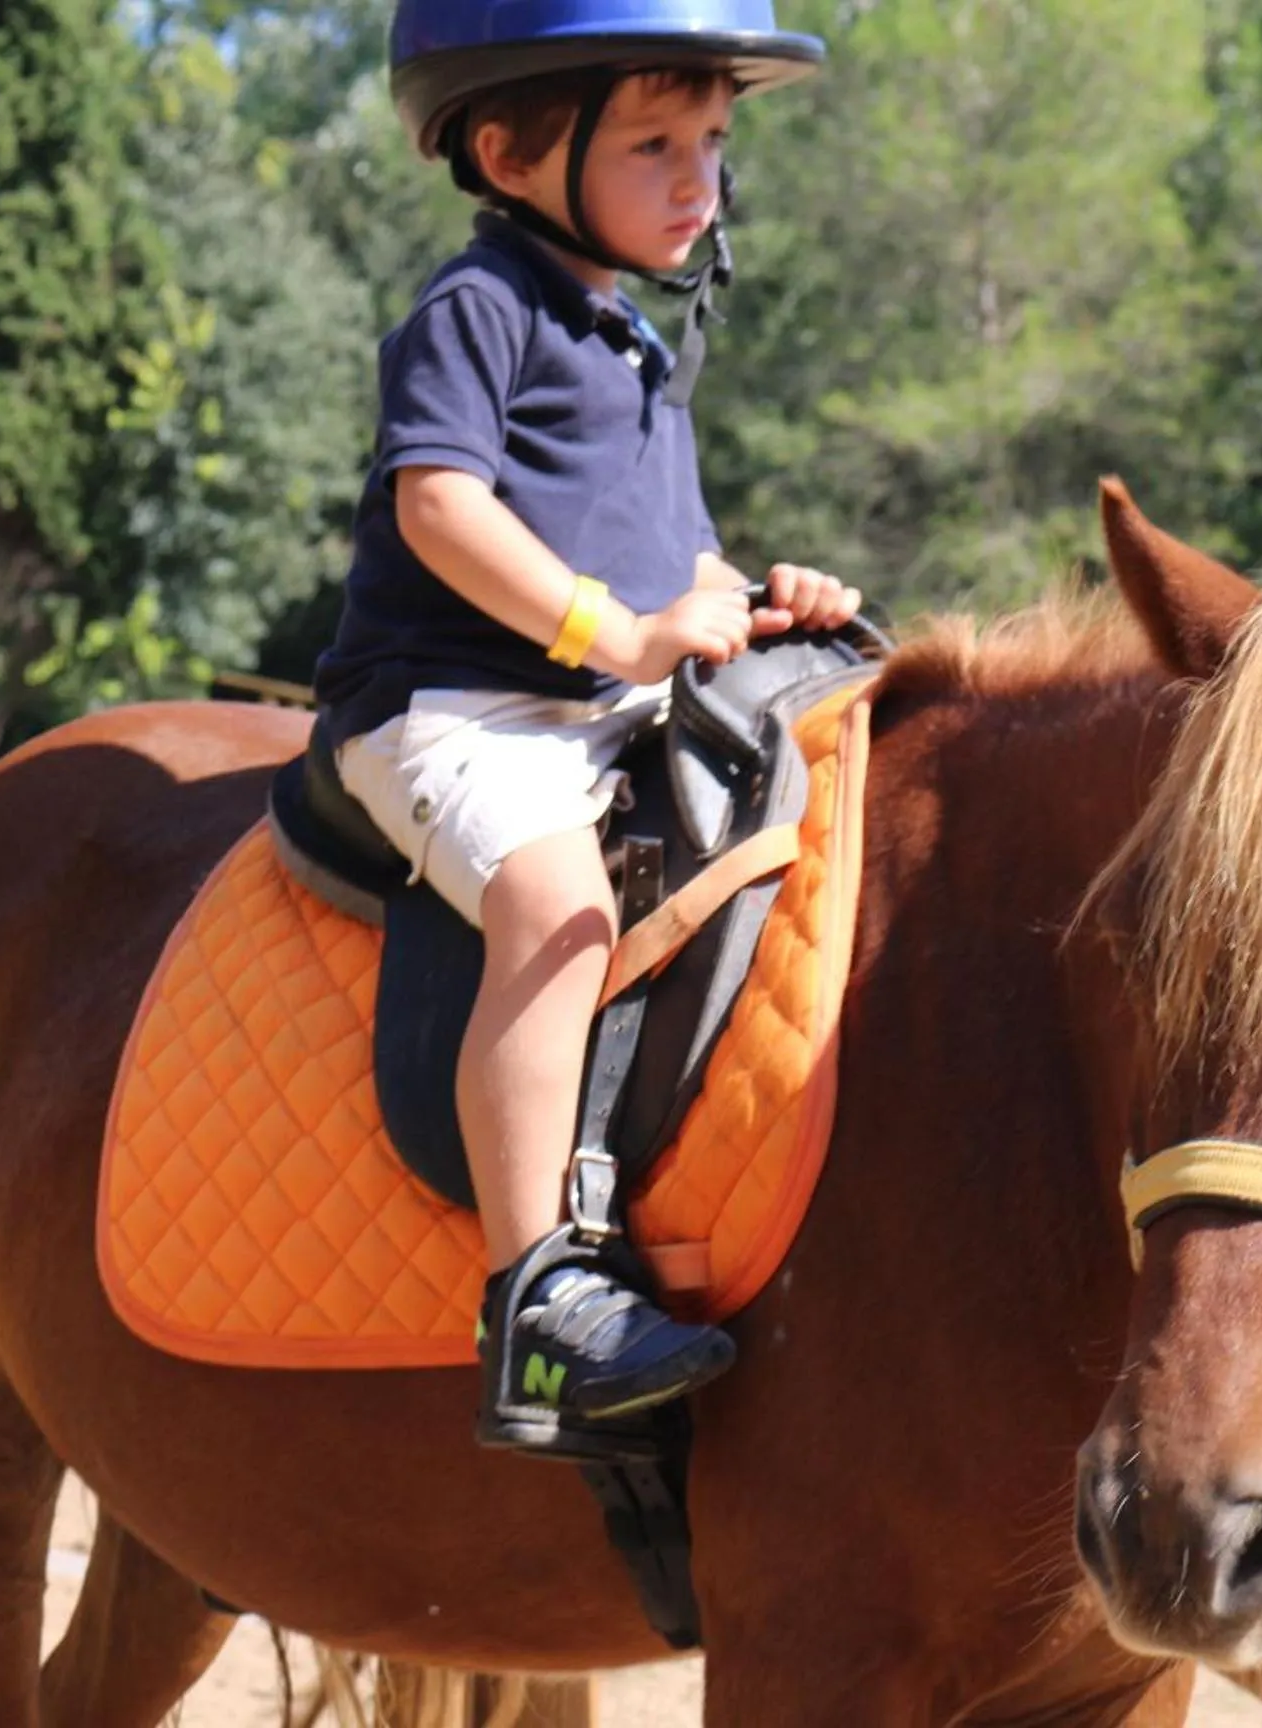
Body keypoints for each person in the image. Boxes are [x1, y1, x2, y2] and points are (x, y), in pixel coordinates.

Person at [311, 0, 861, 1453]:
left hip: (595, 706)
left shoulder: (628, 345)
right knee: (558, 913)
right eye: (656, 144)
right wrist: (615, 639)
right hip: (452, 712)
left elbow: (673, 572)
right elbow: (441, 507)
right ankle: (537, 1298)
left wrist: (761, 600)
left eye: (716, 144)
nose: (702, 181)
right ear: (509, 148)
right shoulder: (475, 311)